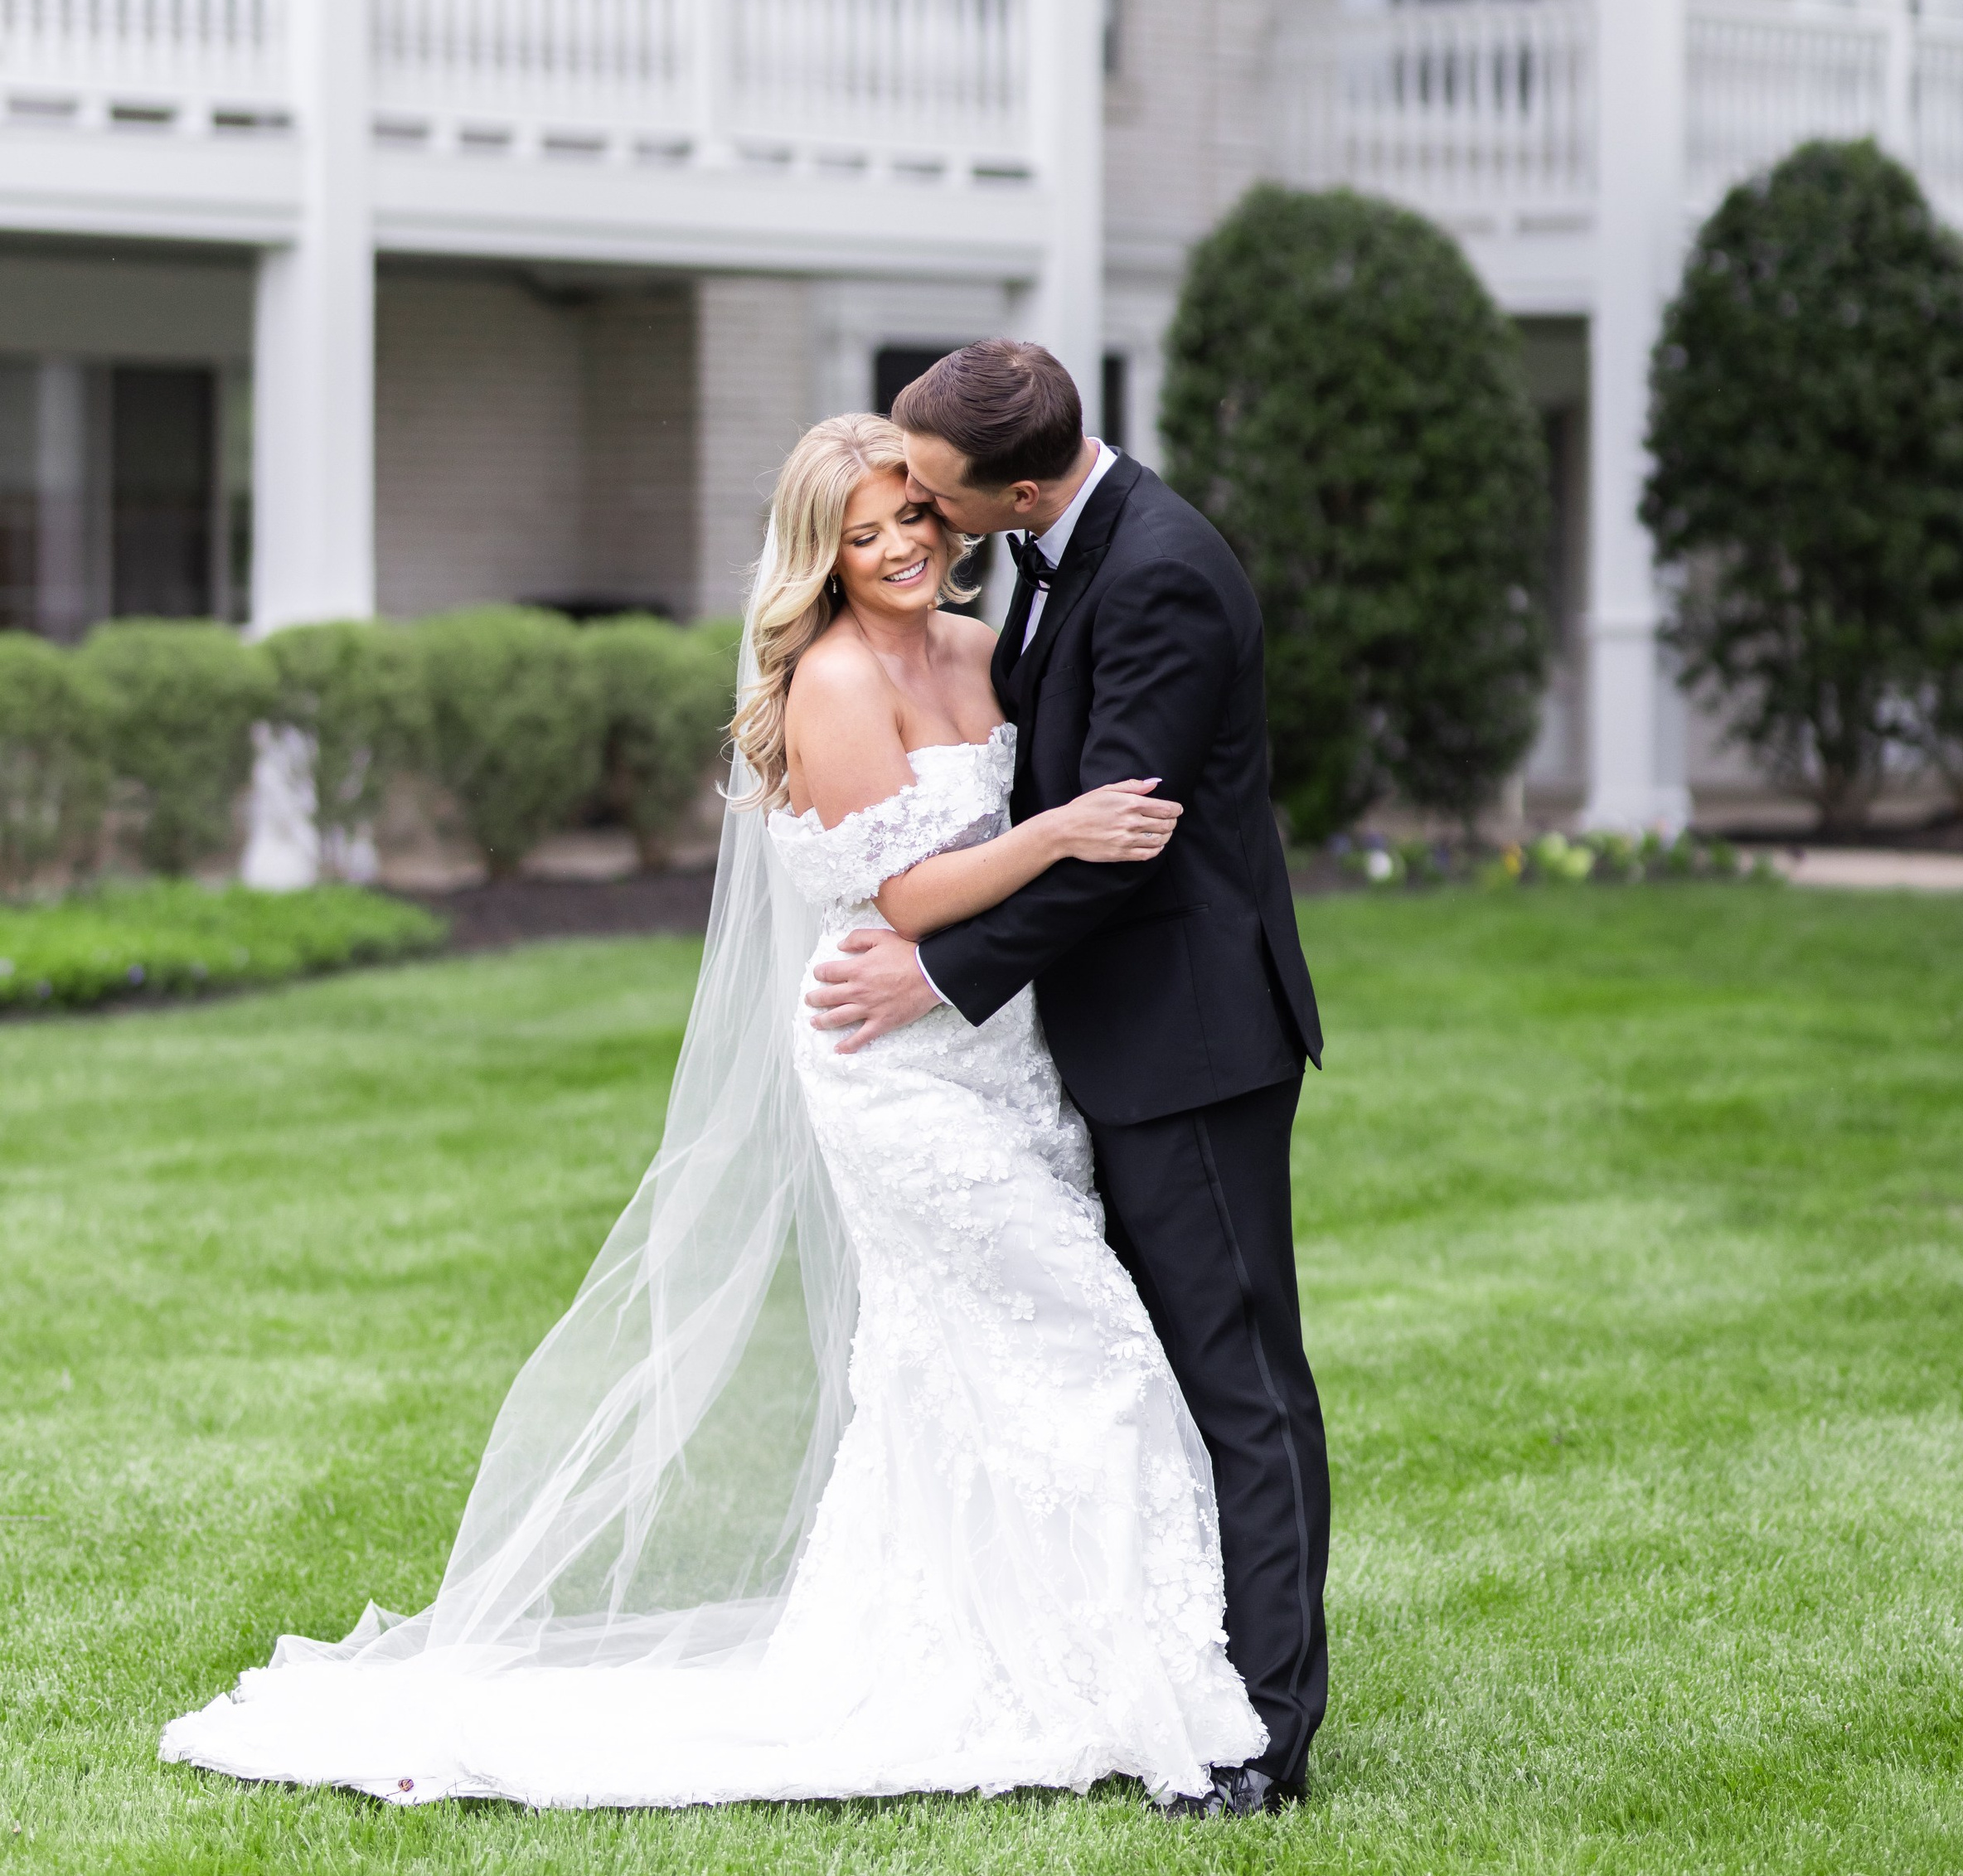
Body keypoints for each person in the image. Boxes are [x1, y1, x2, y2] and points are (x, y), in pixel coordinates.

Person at [160, 411, 1267, 1812]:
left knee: (964, 1371)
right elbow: (904, 896)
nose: (898, 551)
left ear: (947, 513)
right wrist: (1056, 832)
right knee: (1090, 1344)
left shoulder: (994, 653)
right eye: (861, 537)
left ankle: (1021, 1648)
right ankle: (1140, 1680)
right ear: (824, 558)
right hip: (895, 1067)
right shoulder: (833, 683)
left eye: (911, 520)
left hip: (1009, 1058)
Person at [810, 338, 1328, 1817]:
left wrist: (938, 970)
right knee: (1150, 1364)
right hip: (1092, 1038)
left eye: (933, 489)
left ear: (1018, 485)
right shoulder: (1049, 544)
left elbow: (1123, 841)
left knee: (1242, 1383)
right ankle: (1163, 1667)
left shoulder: (1158, 570)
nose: (915, 506)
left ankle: (1266, 1736)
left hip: (1190, 1035)